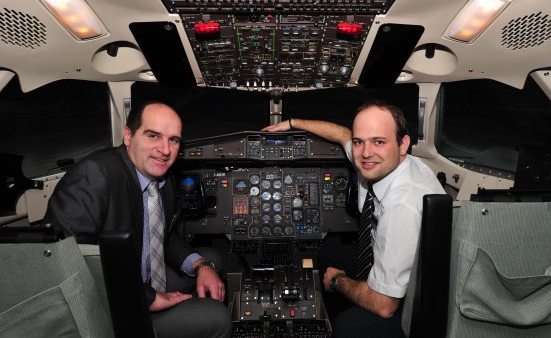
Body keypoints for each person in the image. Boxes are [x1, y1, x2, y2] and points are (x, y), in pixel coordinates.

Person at [43, 101, 232, 338]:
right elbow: (65, 260)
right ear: (128, 136)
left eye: (173, 140)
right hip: (106, 304)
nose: (165, 150)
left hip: (141, 277)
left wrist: (201, 266)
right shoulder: (94, 175)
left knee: (213, 259)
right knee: (219, 318)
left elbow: (165, 234)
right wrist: (148, 299)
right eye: (153, 136)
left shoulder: (164, 178)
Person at [262, 99, 445, 337]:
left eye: (379, 141)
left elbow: (384, 305)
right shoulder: (382, 162)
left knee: (348, 326)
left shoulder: (402, 205)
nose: (366, 153)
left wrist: (338, 281)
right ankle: (343, 308)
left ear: (403, 144)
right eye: (360, 142)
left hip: (420, 294)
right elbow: (341, 133)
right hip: (393, 257)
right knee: (328, 253)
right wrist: (291, 123)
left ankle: (342, 320)